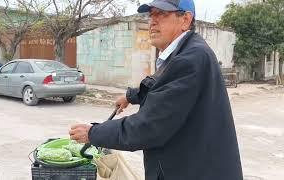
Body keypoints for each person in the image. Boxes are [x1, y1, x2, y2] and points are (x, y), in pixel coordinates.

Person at [69, 0, 243, 179]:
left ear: (185, 19)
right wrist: (131, 96)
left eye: (162, 14)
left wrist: (93, 133)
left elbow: (148, 126)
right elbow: (160, 83)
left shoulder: (190, 59)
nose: (152, 21)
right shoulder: (183, 52)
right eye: (151, 14)